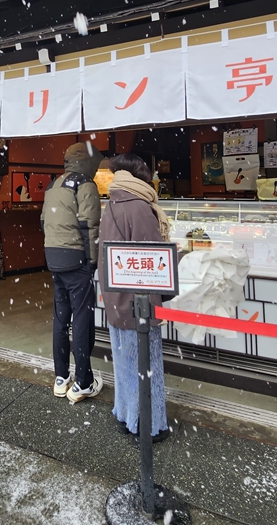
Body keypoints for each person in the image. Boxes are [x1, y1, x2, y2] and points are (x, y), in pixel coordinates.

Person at [99, 153, 175, 443]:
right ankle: (148, 425)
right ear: (140, 174)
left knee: (124, 362)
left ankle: (125, 414)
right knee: (146, 364)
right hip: (138, 302)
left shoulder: (113, 203)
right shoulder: (140, 206)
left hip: (116, 298)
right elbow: (154, 259)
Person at [41, 142, 103, 404]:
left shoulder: (54, 184)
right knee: (81, 320)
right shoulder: (85, 185)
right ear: (88, 162)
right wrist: (91, 262)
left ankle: (60, 377)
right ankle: (83, 382)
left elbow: (43, 221)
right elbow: (89, 226)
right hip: (77, 259)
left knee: (60, 318)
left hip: (54, 258)